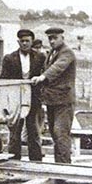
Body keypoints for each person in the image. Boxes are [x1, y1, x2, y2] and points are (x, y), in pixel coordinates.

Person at [31, 27, 76, 164]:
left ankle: (64, 166)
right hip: (52, 101)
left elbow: (57, 68)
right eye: (50, 38)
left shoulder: (67, 52)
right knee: (55, 134)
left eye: (55, 38)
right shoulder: (52, 52)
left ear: (62, 37)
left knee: (60, 133)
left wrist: (43, 77)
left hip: (64, 101)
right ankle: (60, 165)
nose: (52, 41)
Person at [0, 29, 45, 161]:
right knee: (15, 132)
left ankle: (36, 162)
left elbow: (45, 76)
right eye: (22, 41)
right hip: (15, 101)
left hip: (33, 99)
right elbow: (3, 80)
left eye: (27, 41)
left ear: (32, 42)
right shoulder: (9, 58)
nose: (25, 43)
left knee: (34, 132)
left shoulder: (40, 57)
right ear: (18, 42)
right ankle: (14, 161)